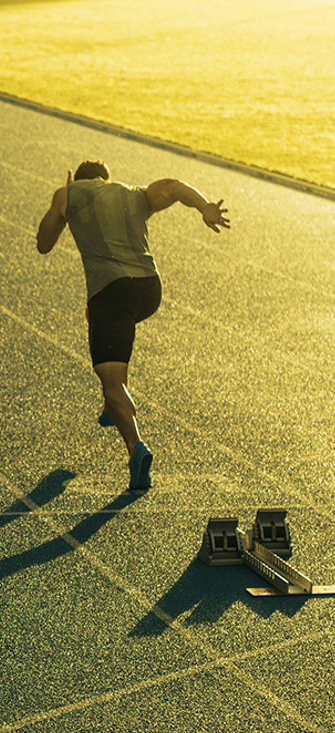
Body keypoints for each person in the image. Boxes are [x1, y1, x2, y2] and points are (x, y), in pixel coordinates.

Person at [36, 160, 230, 490]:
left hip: (112, 293)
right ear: (106, 180)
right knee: (97, 317)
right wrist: (205, 207)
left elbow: (43, 243)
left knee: (112, 381)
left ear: (78, 181)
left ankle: (136, 446)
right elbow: (173, 186)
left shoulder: (69, 193)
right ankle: (111, 404)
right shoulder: (133, 193)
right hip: (148, 289)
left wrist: (65, 200)